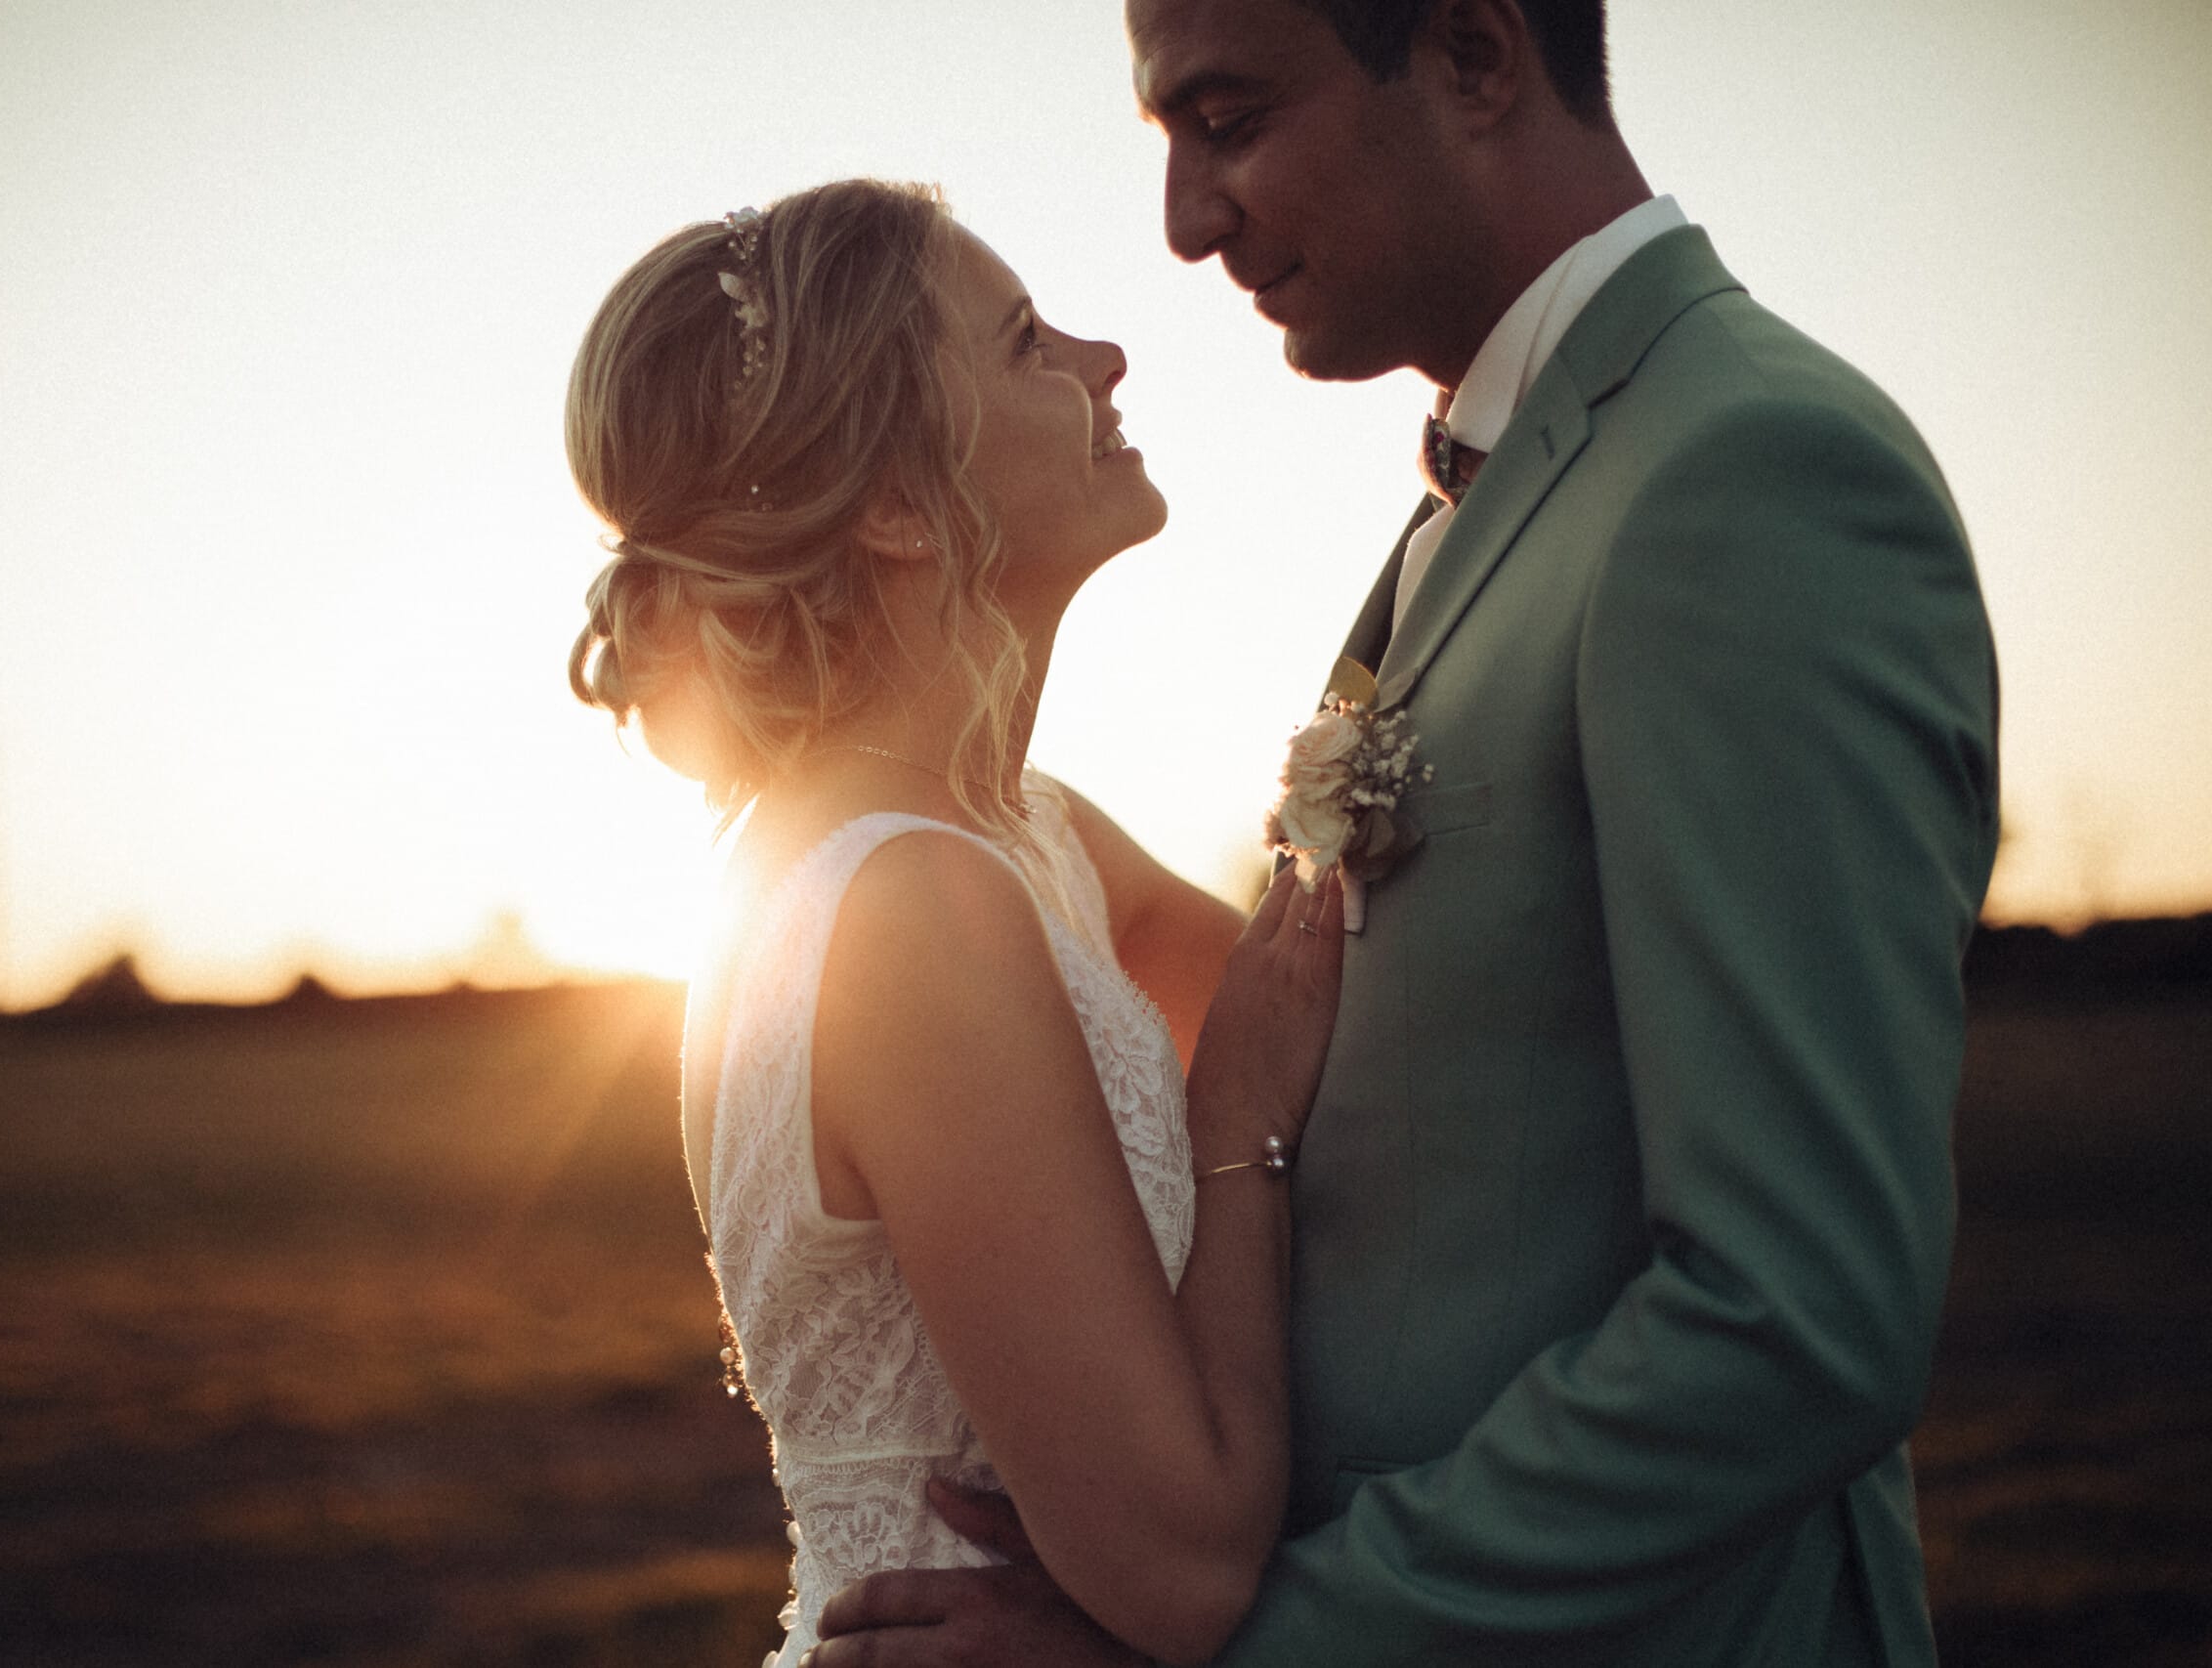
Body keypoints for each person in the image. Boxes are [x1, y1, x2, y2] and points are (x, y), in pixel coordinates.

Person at [810, 1, 2002, 1664]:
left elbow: (1793, 1325)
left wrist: (1256, 1644)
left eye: (1225, 120)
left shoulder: (1747, 475)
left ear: (1471, 53)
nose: (1186, 222)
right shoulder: (1494, 496)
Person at [566, 179, 1350, 1668]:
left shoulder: (1024, 834)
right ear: (897, 506)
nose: (1103, 355)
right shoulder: (905, 911)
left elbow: (1339, 1021)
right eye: (1023, 344)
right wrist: (1239, 1107)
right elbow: (1182, 1569)